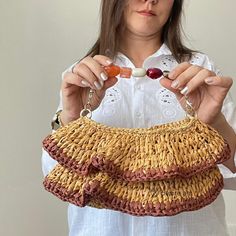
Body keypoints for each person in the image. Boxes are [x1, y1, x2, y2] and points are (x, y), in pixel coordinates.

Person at [42, 0, 236, 235]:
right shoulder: (81, 74)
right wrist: (71, 116)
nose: (150, 0)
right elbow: (56, 176)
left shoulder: (200, 70)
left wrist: (214, 122)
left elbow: (232, 176)